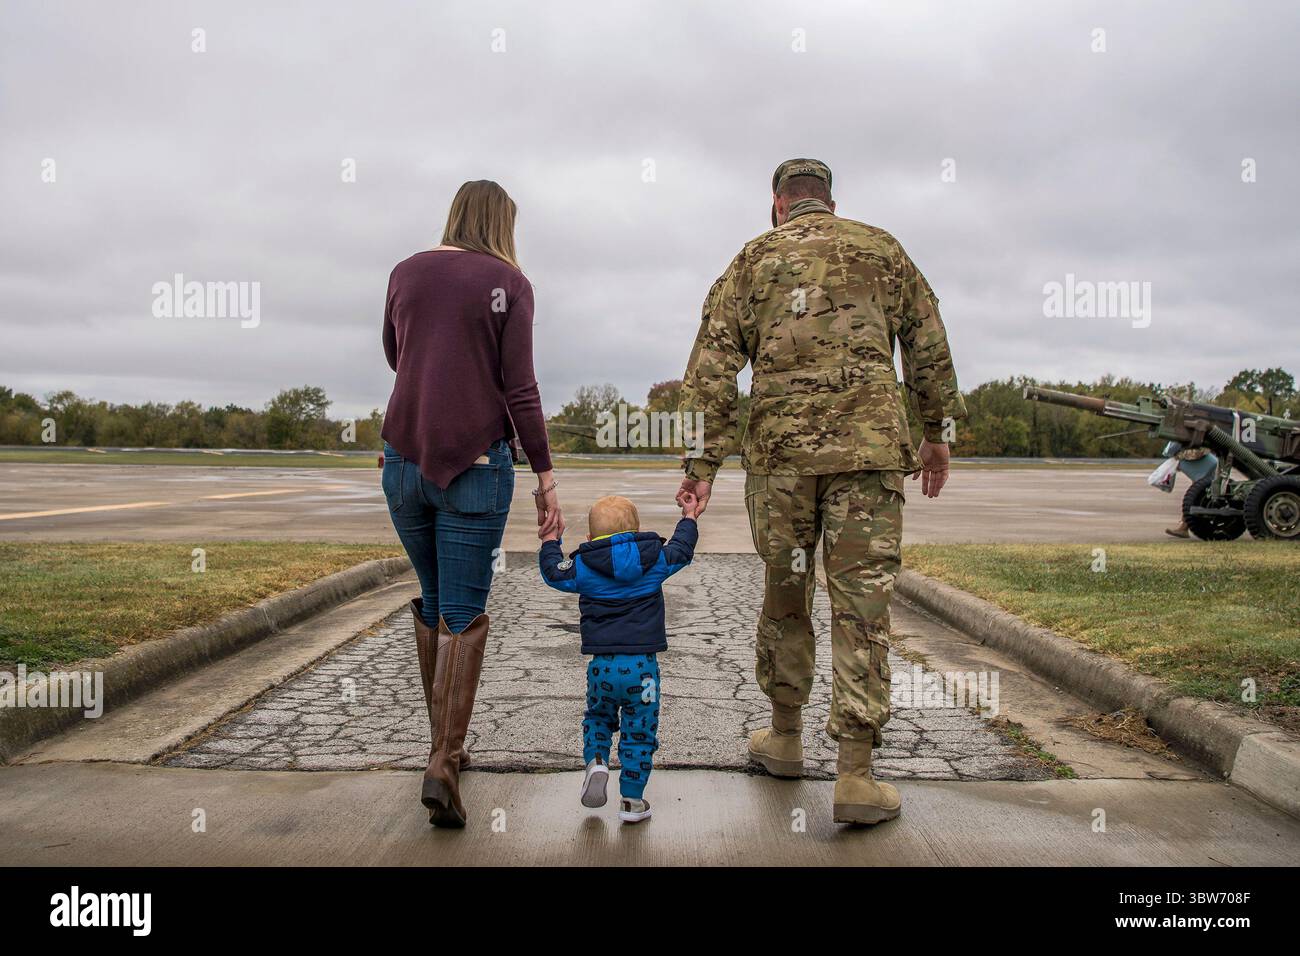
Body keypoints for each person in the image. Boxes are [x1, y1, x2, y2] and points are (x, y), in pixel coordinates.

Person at [675, 158, 965, 825]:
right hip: (867, 459)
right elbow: (929, 346)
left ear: (778, 204)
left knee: (786, 593)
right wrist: (937, 433)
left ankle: (783, 737)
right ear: (831, 202)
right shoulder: (882, 252)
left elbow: (713, 365)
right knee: (863, 605)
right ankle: (857, 776)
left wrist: (701, 461)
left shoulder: (753, 260)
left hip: (781, 461)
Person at [380, 180, 563, 828]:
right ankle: (444, 763)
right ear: (502, 224)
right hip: (475, 465)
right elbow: (520, 388)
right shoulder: (509, 282)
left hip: (402, 461)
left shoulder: (405, 273)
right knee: (462, 612)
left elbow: (397, 356)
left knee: (433, 606)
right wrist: (545, 475)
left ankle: (442, 752)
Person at [538, 494, 698, 824]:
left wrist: (550, 540)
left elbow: (553, 573)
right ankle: (632, 801)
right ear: (637, 531)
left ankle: (596, 761)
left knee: (598, 718)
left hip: (603, 667)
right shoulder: (654, 561)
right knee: (640, 732)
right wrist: (690, 517)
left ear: (590, 539)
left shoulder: (583, 566)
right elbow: (682, 549)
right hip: (644, 671)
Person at [1161, 440, 1219, 538]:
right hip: (1205, 460)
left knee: (1195, 495)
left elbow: (1173, 447)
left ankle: (1184, 528)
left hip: (1202, 461)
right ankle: (1184, 527)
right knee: (1196, 493)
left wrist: (1173, 455)